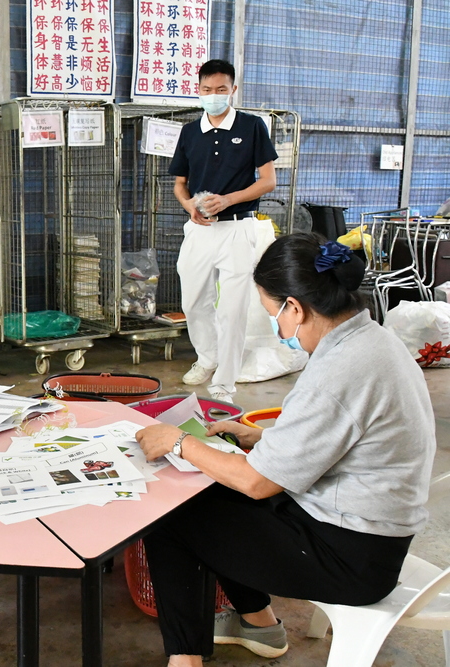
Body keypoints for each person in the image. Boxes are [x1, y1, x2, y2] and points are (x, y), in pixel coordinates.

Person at [134, 233, 436, 667]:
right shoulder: (368, 339)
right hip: (362, 534)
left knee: (172, 515)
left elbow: (258, 484)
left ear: (294, 307)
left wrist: (178, 441)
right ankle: (258, 624)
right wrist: (263, 437)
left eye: (273, 315)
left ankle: (185, 661)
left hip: (351, 557)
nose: (278, 329)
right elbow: (341, 433)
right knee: (213, 490)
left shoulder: (343, 367)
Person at [169, 59, 279, 402]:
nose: (213, 96)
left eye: (220, 90)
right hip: (199, 230)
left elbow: (269, 181)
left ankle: (224, 384)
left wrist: (228, 199)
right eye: (206, 90)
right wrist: (189, 206)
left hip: (237, 229)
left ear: (232, 90)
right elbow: (179, 184)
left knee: (232, 309)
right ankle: (207, 358)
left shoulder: (252, 126)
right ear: (197, 90)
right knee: (193, 302)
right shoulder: (189, 132)